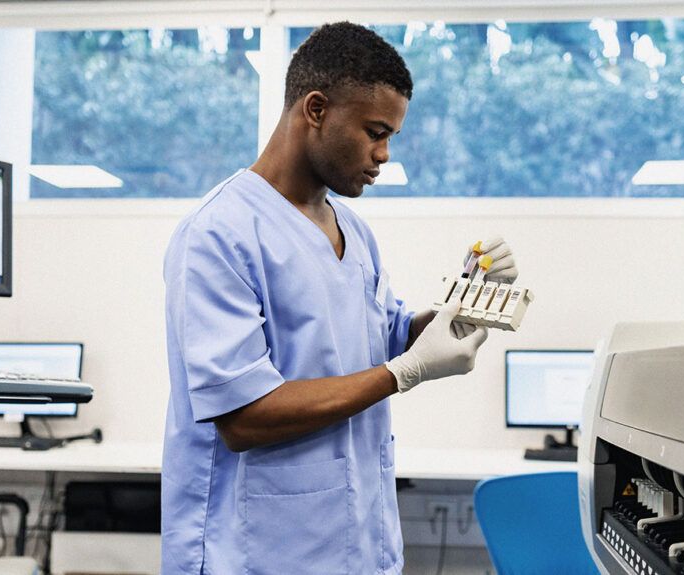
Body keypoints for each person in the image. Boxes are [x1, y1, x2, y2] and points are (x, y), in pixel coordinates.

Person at [160, 22, 517, 574]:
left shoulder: (353, 229)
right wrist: (404, 374)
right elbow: (244, 417)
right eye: (375, 131)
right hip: (256, 552)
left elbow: (387, 337)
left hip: (358, 545)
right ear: (317, 109)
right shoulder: (219, 233)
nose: (384, 154)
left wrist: (461, 307)